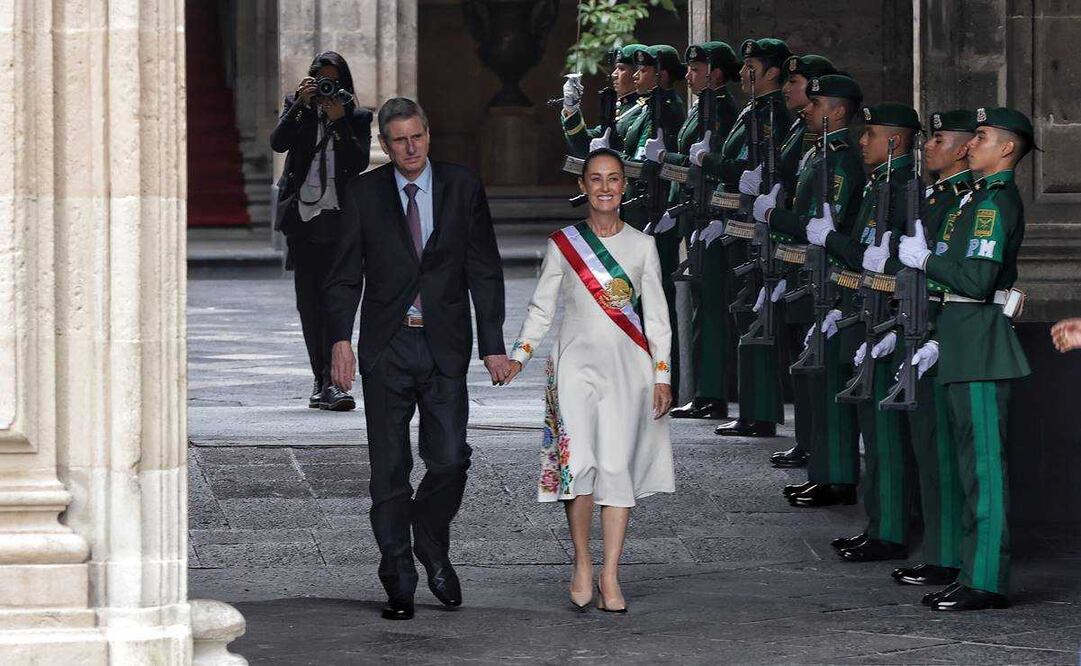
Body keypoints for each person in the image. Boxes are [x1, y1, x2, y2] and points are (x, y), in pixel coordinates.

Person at [324, 97, 511, 621]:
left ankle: (430, 540)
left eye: (418, 137)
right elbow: (343, 273)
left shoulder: (462, 186)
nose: (410, 148)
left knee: (450, 459)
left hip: (445, 343)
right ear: (385, 144)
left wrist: (493, 344)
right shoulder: (363, 192)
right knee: (389, 470)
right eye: (399, 140)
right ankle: (399, 578)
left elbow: (484, 268)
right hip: (387, 345)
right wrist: (340, 338)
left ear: (429, 135)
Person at [504, 148, 675, 613]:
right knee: (576, 468)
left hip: (629, 371)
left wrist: (663, 375)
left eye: (613, 179)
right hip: (574, 369)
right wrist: (519, 355)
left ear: (624, 186)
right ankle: (582, 560)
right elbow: (543, 307)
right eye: (595, 179)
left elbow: (658, 318)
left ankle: (611, 573)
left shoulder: (643, 246)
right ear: (583, 187)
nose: (604, 188)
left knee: (616, 469)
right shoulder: (564, 243)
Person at [897, 106, 1034, 611]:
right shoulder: (975, 199)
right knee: (966, 466)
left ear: (1006, 149)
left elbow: (977, 281)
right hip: (961, 339)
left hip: (980, 346)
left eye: (981, 137)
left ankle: (986, 580)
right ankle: (969, 568)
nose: (970, 145)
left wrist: (927, 260)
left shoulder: (994, 204)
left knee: (984, 471)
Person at [757, 75, 865, 506]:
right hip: (810, 270)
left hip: (834, 277)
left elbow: (827, 225)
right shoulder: (816, 152)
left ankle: (837, 475)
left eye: (815, 102)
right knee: (814, 373)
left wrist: (776, 219)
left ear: (837, 111)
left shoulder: (839, 158)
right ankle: (823, 466)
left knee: (829, 376)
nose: (806, 108)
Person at [889, 110, 976, 588]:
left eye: (939, 138)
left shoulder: (966, 201)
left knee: (943, 447)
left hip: (944, 331)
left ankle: (947, 554)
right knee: (928, 443)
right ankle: (940, 549)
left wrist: (937, 337)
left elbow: (957, 274)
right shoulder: (934, 195)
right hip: (918, 324)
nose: (929, 145)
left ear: (963, 149)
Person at [695, 37, 794, 438]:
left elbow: (761, 168)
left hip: (759, 224)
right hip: (738, 221)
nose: (744, 73)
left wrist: (715, 163)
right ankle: (753, 407)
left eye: (752, 66)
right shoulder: (753, 110)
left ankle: (762, 410)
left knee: (757, 314)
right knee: (745, 312)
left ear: (772, 72)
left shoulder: (773, 115)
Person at [270, 51, 372, 411]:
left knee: (338, 301)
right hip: (303, 220)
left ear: (344, 84)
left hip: (341, 219)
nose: (327, 87)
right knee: (310, 302)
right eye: (320, 79)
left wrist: (340, 122)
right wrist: (301, 104)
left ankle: (335, 382)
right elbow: (278, 143)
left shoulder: (356, 116)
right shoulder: (297, 109)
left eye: (334, 81)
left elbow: (358, 163)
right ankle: (321, 379)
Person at [656, 41, 741, 422]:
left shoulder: (721, 110)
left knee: (711, 308)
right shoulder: (702, 108)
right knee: (701, 307)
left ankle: (712, 393)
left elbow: (704, 163)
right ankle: (706, 392)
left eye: (696, 69)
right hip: (694, 213)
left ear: (716, 73)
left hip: (712, 216)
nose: (688, 75)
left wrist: (665, 159)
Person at [762, 54, 838, 467]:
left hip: (821, 266)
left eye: (800, 84)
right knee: (802, 358)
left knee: (816, 363)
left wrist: (776, 214)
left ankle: (823, 452)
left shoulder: (830, 151)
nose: (798, 96)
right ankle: (810, 442)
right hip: (798, 259)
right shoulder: (806, 137)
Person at [560, 44, 648, 158]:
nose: (614, 74)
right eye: (616, 68)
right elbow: (585, 146)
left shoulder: (645, 109)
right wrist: (571, 109)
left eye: (621, 69)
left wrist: (606, 153)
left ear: (637, 73)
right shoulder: (621, 108)